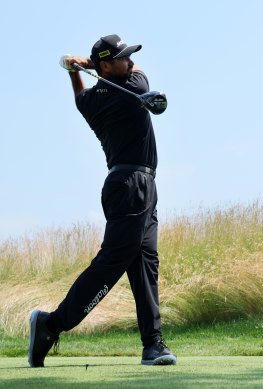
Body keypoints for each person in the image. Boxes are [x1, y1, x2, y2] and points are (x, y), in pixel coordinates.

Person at [28, 34, 176, 367]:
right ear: (107, 66)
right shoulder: (135, 87)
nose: (129, 61)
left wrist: (75, 69)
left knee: (145, 264)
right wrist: (86, 63)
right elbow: (137, 68)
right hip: (131, 186)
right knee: (112, 264)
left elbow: (80, 93)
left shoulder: (91, 102)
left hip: (133, 185)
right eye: (121, 58)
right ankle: (51, 325)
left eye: (127, 57)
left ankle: (153, 345)